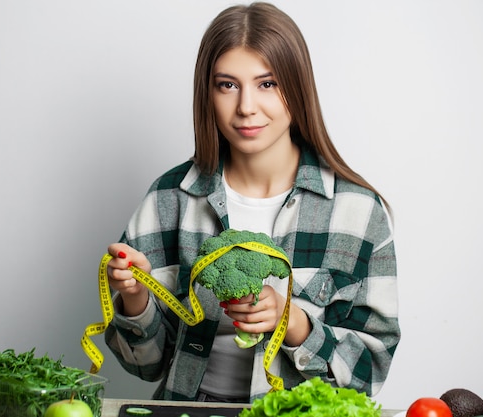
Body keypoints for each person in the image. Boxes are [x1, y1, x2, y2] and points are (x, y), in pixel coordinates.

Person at [104, 1, 400, 402]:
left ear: (297, 89)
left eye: (267, 84)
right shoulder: (167, 200)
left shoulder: (360, 214)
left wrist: (293, 322)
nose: (246, 107)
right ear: (207, 93)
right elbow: (145, 366)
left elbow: (371, 370)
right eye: (227, 85)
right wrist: (135, 298)